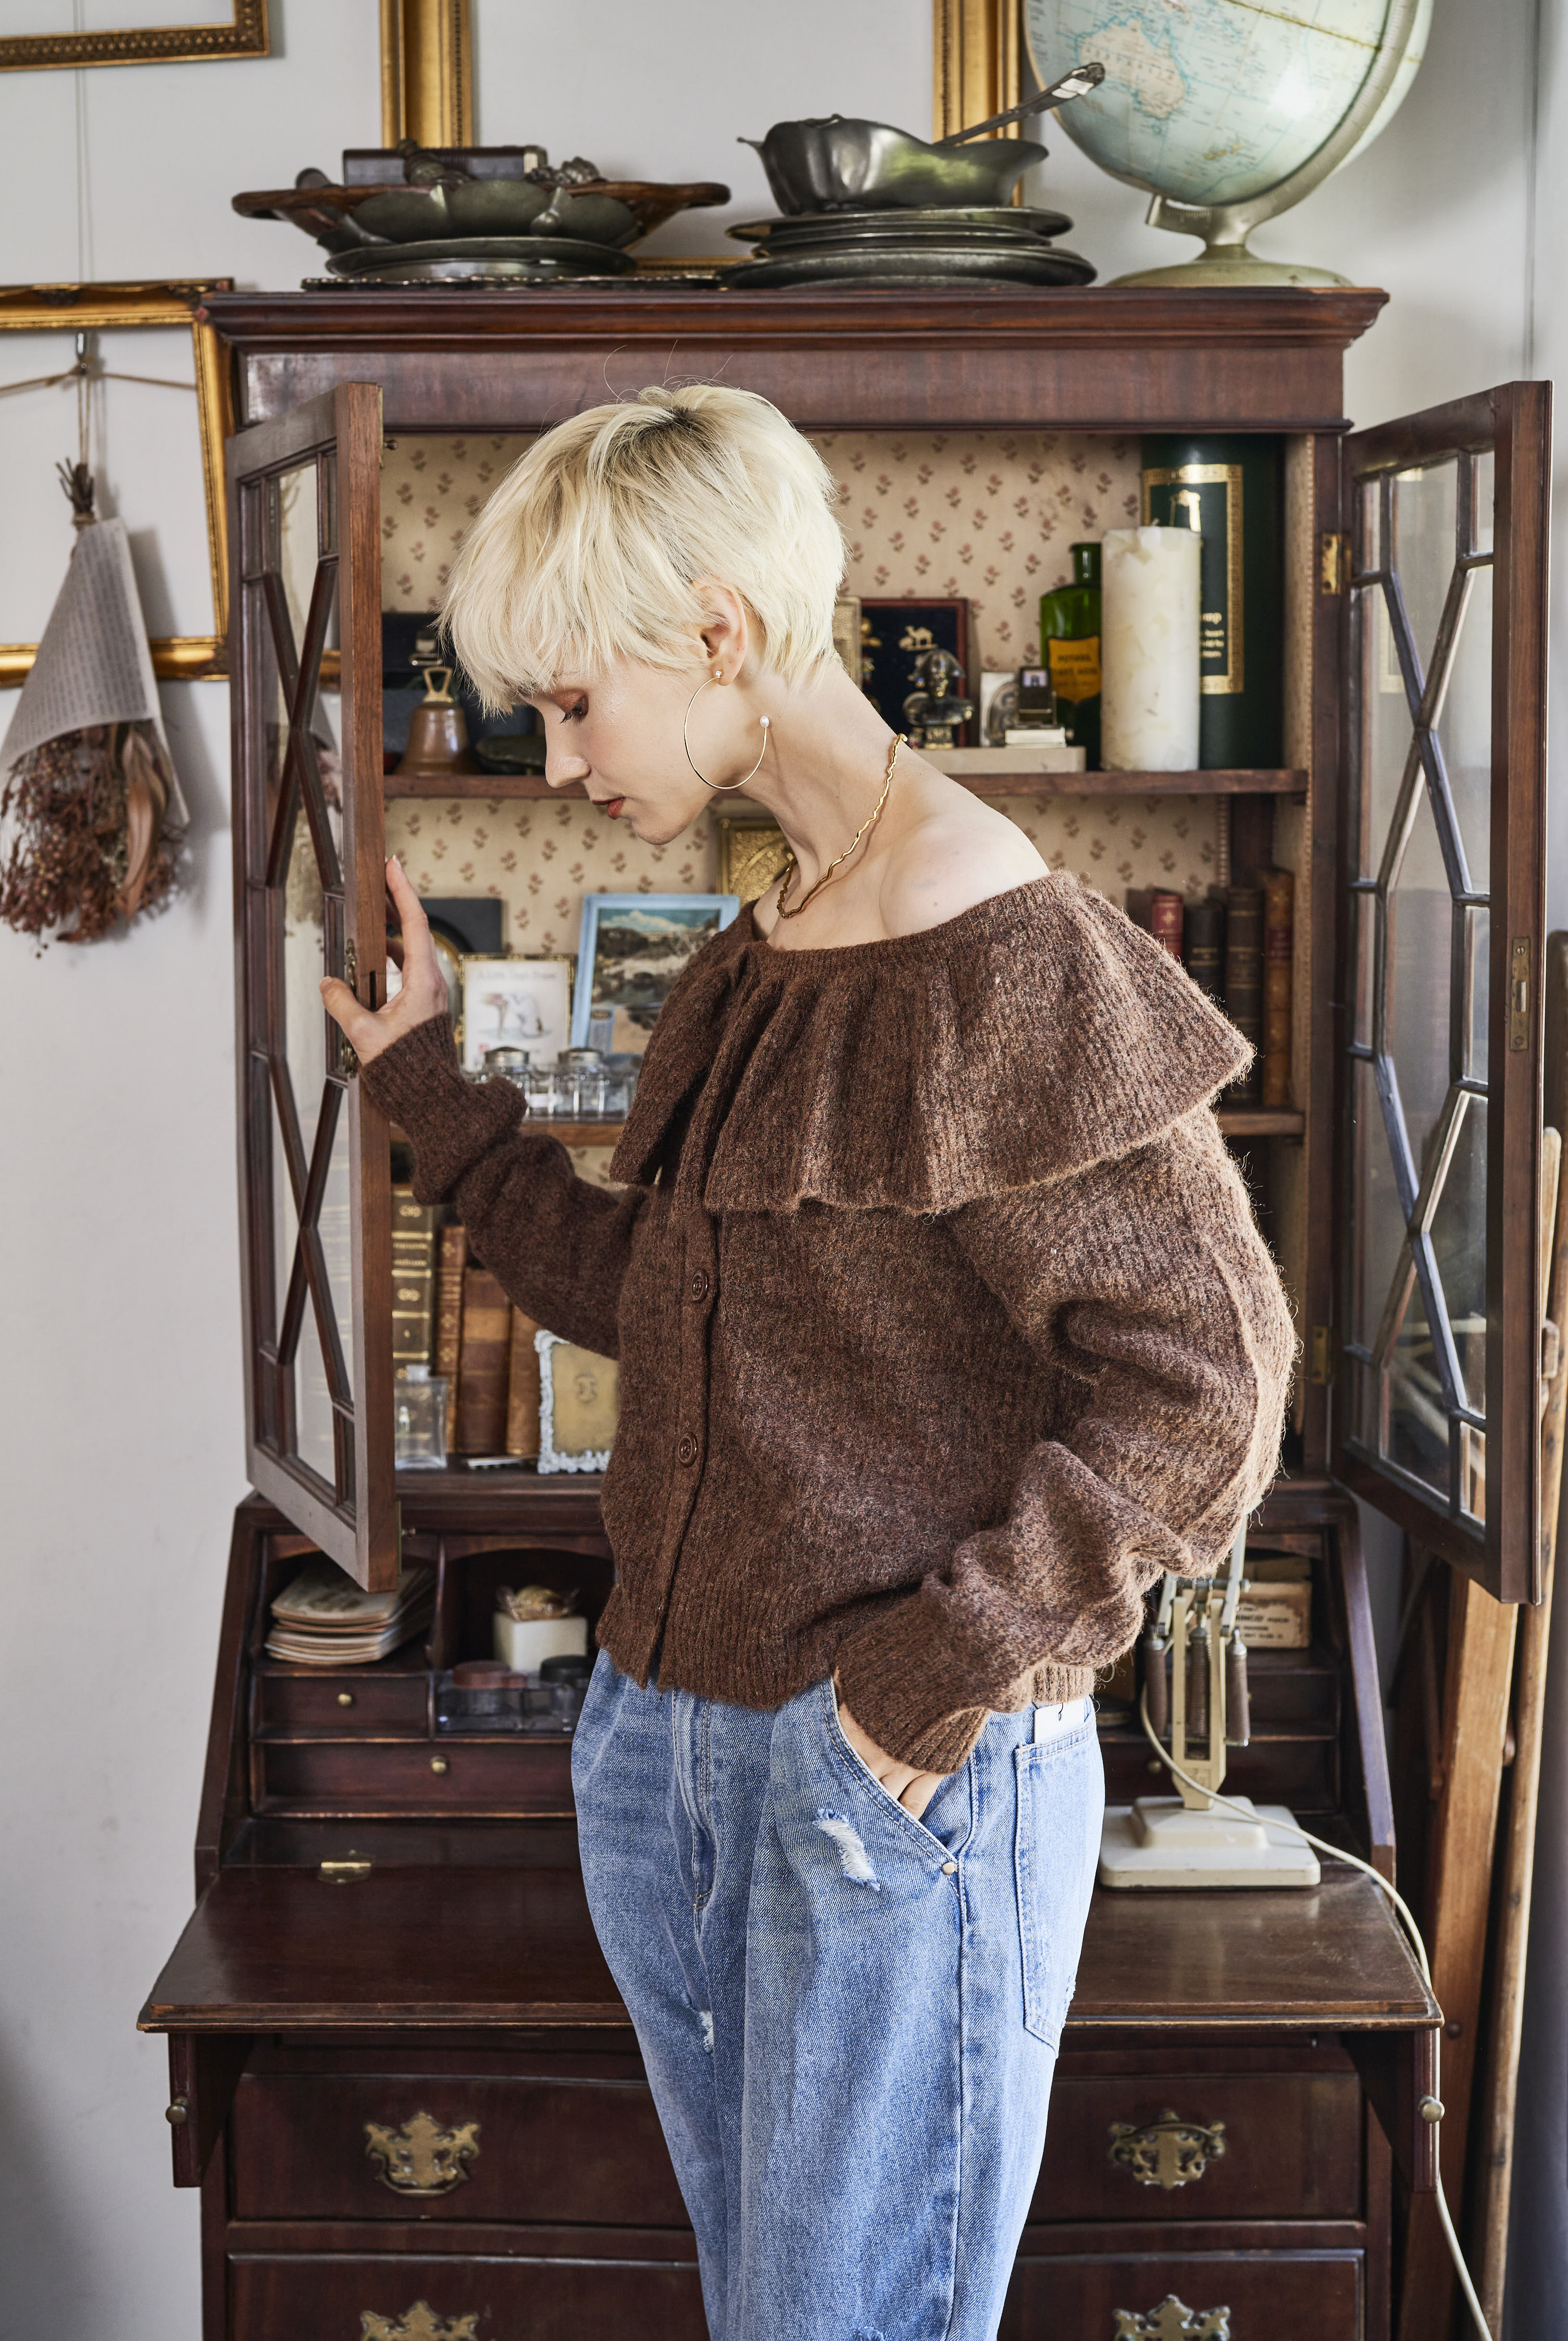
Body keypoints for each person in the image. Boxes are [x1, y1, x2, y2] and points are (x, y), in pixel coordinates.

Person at [321, 384, 1296, 2341]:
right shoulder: (768, 943)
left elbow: (1215, 1379)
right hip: (677, 1741)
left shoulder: (1002, 949)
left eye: (575, 702)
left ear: (717, 633)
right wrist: (433, 1090)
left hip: (882, 1773)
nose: (558, 759)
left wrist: (924, 1687)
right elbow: (667, 1306)